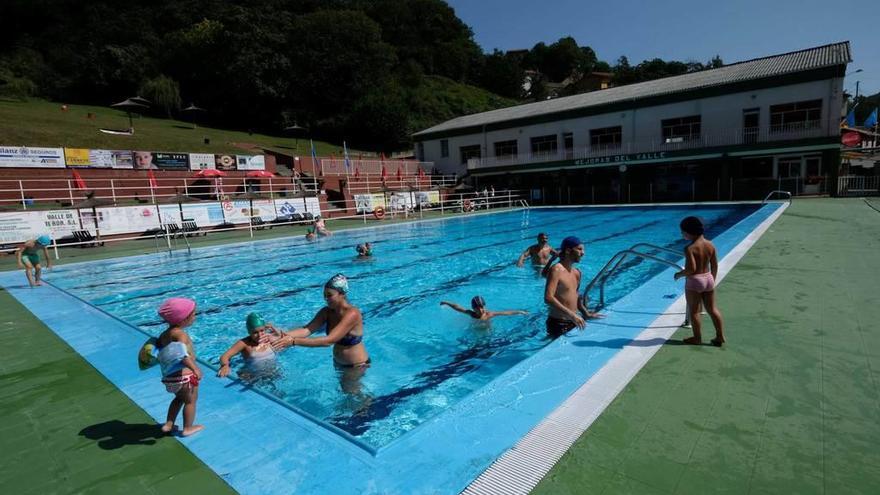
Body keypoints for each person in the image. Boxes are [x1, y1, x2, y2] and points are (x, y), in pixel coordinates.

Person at [272, 274, 369, 392]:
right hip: (339, 363)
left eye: (329, 295)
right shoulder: (326, 312)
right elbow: (307, 329)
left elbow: (329, 341)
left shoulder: (352, 313)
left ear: (342, 294)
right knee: (347, 393)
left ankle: (368, 408)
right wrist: (282, 334)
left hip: (356, 365)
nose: (326, 299)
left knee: (354, 395)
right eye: (324, 296)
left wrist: (293, 342)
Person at [155, 298, 204, 436]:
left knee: (178, 399)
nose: (195, 316)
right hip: (185, 377)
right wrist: (195, 368)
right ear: (183, 319)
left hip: (170, 378)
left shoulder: (164, 334)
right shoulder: (180, 334)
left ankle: (169, 424)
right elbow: (181, 355)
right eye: (193, 314)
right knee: (190, 401)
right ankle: (188, 428)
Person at [674, 216, 725, 346]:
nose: (682, 234)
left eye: (682, 232)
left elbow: (691, 269)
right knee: (712, 309)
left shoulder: (690, 248)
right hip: (708, 278)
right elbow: (714, 265)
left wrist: (679, 274)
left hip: (695, 281)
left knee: (694, 311)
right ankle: (720, 336)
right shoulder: (710, 244)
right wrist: (712, 279)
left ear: (689, 232)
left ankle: (697, 338)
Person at [543, 236, 602, 338]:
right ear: (568, 250)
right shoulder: (556, 270)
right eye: (579, 249)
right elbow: (548, 298)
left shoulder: (577, 272)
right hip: (558, 323)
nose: (583, 253)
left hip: (574, 320)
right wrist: (572, 314)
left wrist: (585, 312)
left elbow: (576, 295)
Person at [217, 313, 283, 379]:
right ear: (249, 332)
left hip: (272, 372)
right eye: (255, 332)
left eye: (262, 330)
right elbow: (225, 356)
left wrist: (272, 328)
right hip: (251, 375)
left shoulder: (269, 338)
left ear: (265, 329)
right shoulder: (244, 343)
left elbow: (282, 337)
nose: (260, 335)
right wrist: (225, 366)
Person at [440, 296, 527, 321]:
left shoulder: (489, 314)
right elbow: (458, 307)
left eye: (482, 307)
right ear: (473, 308)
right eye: (477, 308)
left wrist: (520, 311)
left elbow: (505, 313)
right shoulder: (471, 314)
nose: (481, 310)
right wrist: (447, 303)